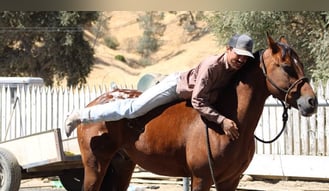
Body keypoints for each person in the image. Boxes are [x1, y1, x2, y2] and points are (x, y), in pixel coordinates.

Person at [65, 34, 254, 140]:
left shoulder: (237, 68)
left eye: (246, 56)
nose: (242, 59)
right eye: (238, 53)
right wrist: (221, 120)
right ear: (228, 49)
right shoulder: (212, 66)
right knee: (134, 108)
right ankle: (81, 116)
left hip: (188, 95)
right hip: (175, 88)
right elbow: (198, 100)